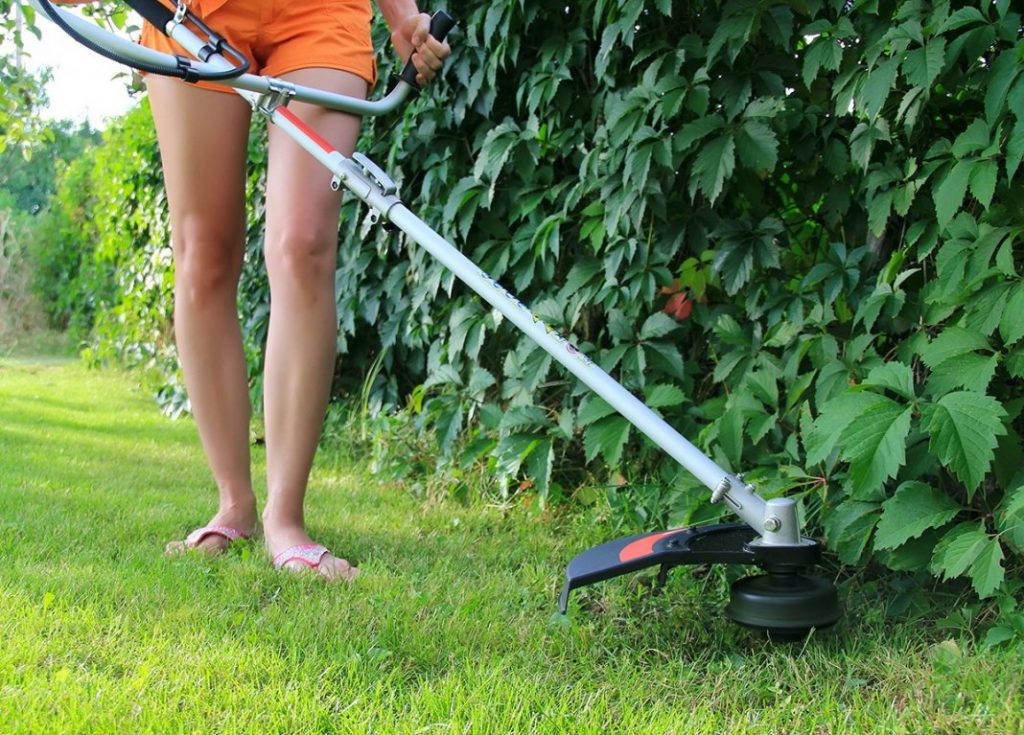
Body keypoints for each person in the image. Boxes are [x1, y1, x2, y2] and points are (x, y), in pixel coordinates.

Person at [64, 0, 450, 580]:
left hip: (319, 15)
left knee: (302, 246)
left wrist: (401, 15)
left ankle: (285, 519)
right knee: (204, 253)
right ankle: (234, 504)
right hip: (190, 15)